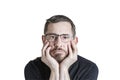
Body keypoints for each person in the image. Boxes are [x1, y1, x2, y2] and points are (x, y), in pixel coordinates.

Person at [24, 15, 99, 80]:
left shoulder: (89, 68)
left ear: (75, 41)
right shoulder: (32, 67)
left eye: (65, 37)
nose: (58, 44)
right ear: (44, 40)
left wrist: (64, 68)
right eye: (52, 37)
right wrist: (54, 69)